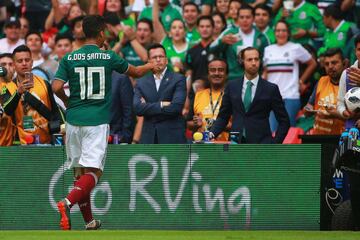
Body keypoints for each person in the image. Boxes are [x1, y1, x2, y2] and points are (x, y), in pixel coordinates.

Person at [52, 15, 154, 230]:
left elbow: (56, 87)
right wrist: (151, 65)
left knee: (79, 174)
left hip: (73, 121)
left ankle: (89, 221)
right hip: (96, 121)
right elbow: (135, 72)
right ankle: (66, 203)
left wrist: (69, 102)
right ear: (100, 33)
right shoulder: (108, 57)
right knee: (94, 172)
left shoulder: (69, 58)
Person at [210, 47, 290, 143]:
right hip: (236, 143)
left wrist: (275, 143)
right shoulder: (232, 86)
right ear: (242, 62)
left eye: (256, 59)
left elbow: (284, 121)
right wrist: (211, 134)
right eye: (249, 59)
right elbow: (223, 117)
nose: (253, 63)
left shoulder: (271, 89)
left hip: (262, 144)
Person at [263, 20, 317, 131]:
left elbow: (312, 63)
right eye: (278, 30)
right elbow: (266, 72)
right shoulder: (268, 50)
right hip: (273, 97)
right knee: (272, 131)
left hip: (290, 96)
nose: (280, 33)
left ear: (288, 33)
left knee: (287, 132)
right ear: (274, 33)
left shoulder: (295, 47)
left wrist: (301, 81)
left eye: (283, 30)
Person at [2, 45, 61, 145]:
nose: (24, 63)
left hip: (46, 141)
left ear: (32, 62)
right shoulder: (7, 87)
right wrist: (18, 93)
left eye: (27, 60)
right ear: (14, 65)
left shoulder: (44, 83)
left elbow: (54, 110)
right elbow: (7, 110)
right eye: (20, 61)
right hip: (20, 142)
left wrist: (59, 134)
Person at [133, 43, 187, 144]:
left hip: (172, 137)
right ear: (149, 61)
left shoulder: (178, 79)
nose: (158, 60)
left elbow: (176, 107)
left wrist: (147, 107)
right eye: (154, 57)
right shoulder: (141, 82)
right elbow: (137, 108)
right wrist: (162, 104)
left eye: (161, 56)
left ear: (166, 60)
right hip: (149, 138)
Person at [210, 4, 269, 80]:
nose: (245, 20)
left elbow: (266, 60)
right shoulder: (230, 33)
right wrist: (222, 41)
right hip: (233, 78)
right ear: (237, 18)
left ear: (253, 18)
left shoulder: (262, 37)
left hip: (254, 79)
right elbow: (211, 50)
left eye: (248, 17)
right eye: (241, 17)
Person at [303, 48, 346, 135]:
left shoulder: (351, 84)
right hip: (319, 137)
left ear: (344, 63)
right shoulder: (322, 81)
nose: (330, 66)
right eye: (327, 64)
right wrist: (308, 110)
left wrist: (334, 114)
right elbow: (309, 106)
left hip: (342, 139)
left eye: (334, 63)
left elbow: (355, 118)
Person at [187, 58, 231, 141]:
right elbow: (188, 123)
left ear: (227, 74)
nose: (216, 73)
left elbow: (240, 124)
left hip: (226, 147)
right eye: (212, 70)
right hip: (202, 147)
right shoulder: (198, 95)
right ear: (208, 74)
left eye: (221, 70)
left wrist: (220, 125)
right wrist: (196, 124)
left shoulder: (233, 95)